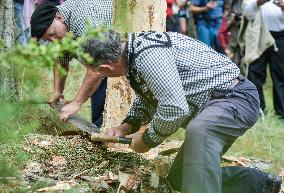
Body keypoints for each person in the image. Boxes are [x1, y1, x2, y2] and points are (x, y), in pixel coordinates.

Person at [80, 31, 282, 193]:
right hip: (218, 103)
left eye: (98, 71)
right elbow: (151, 96)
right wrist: (127, 126)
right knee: (182, 178)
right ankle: (261, 184)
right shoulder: (134, 53)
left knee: (200, 131)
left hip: (234, 98)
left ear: (105, 67)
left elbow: (175, 108)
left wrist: (148, 140)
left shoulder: (147, 56)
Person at [30, 0, 113, 127]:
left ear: (59, 17)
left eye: (52, 34)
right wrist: (58, 91)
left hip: (121, 51)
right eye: (48, 39)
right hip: (108, 58)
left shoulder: (83, 19)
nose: (54, 41)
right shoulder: (60, 25)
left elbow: (97, 68)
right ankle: (101, 128)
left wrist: (77, 102)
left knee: (102, 77)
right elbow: (60, 60)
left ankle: (105, 129)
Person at [242, 0, 284, 124]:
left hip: (281, 36)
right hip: (258, 35)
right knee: (254, 73)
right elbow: (247, 13)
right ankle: (258, 111)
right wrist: (257, 3)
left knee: (281, 75)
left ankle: (282, 114)